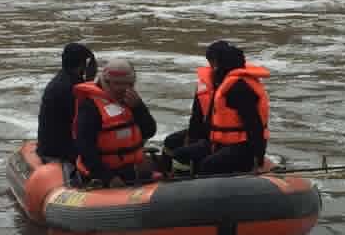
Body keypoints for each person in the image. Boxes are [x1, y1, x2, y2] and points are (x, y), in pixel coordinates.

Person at [167, 41, 269, 176]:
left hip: (244, 147)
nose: (211, 68)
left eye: (213, 63)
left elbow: (254, 125)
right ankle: (181, 183)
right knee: (181, 154)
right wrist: (193, 141)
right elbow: (200, 119)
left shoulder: (238, 87)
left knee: (208, 164)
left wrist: (258, 158)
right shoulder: (221, 84)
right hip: (220, 143)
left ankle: (200, 189)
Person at [73, 56, 158, 187]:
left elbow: (150, 131)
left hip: (132, 169)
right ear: (106, 82)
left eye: (129, 84)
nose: (124, 89)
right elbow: (86, 150)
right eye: (118, 84)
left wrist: (139, 108)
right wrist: (108, 177)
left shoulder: (131, 101)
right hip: (103, 174)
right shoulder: (90, 107)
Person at [36, 42, 97, 163]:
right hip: (61, 151)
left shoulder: (61, 80)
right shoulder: (73, 88)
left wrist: (88, 82)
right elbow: (85, 124)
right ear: (83, 64)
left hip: (50, 146)